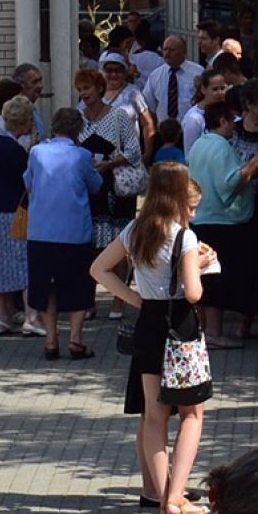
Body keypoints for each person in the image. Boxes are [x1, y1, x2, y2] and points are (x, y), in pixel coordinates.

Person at [90, 162, 218, 514]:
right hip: (180, 325)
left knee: (154, 415)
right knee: (192, 413)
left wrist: (136, 299)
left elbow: (98, 269)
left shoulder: (136, 228)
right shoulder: (184, 237)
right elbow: (193, 293)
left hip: (148, 323)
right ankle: (176, 498)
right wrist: (202, 265)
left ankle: (161, 496)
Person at [188, 102, 258, 347]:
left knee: (204, 275)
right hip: (222, 221)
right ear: (223, 121)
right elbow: (229, 185)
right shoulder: (220, 146)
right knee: (216, 277)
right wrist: (254, 165)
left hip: (202, 217)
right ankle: (214, 332)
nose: (234, 128)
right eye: (231, 122)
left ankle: (202, 329)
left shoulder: (199, 144)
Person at [24, 107, 104, 359]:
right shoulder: (82, 156)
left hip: (41, 231)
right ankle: (75, 340)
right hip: (74, 233)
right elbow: (96, 185)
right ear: (78, 130)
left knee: (46, 286)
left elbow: (28, 182)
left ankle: (51, 341)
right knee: (79, 285)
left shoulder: (36, 152)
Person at [75, 66, 146, 254]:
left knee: (118, 246)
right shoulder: (79, 119)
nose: (83, 93)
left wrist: (110, 163)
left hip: (116, 187)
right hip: (91, 188)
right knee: (93, 245)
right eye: (80, 89)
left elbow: (134, 152)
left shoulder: (118, 115)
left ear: (99, 88)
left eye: (87, 88)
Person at [0, 95, 35, 334]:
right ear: (24, 122)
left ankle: (1, 316)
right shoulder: (16, 150)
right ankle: (31, 317)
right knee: (22, 264)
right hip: (15, 212)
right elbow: (27, 180)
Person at [147, 35, 205, 124]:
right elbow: (149, 107)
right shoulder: (155, 75)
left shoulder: (198, 72)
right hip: (164, 129)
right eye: (165, 49)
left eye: (172, 50)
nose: (167, 53)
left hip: (191, 127)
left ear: (183, 52)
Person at [102, 51, 156, 143]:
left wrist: (148, 150)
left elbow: (147, 124)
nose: (113, 74)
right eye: (109, 70)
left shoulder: (133, 92)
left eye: (118, 70)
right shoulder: (96, 92)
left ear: (124, 72)